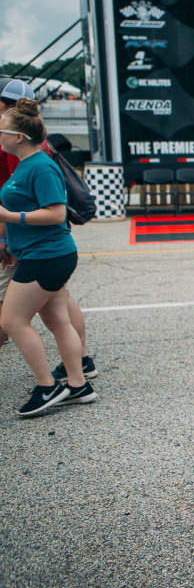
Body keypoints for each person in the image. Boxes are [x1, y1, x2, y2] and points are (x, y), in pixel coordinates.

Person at [0, 97, 96, 416]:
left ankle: (47, 387)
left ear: (18, 137)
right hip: (39, 253)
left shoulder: (40, 165)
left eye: (1, 131)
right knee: (57, 319)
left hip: (47, 255)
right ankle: (77, 383)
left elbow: (56, 214)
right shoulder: (28, 165)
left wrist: (10, 217)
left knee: (12, 321)